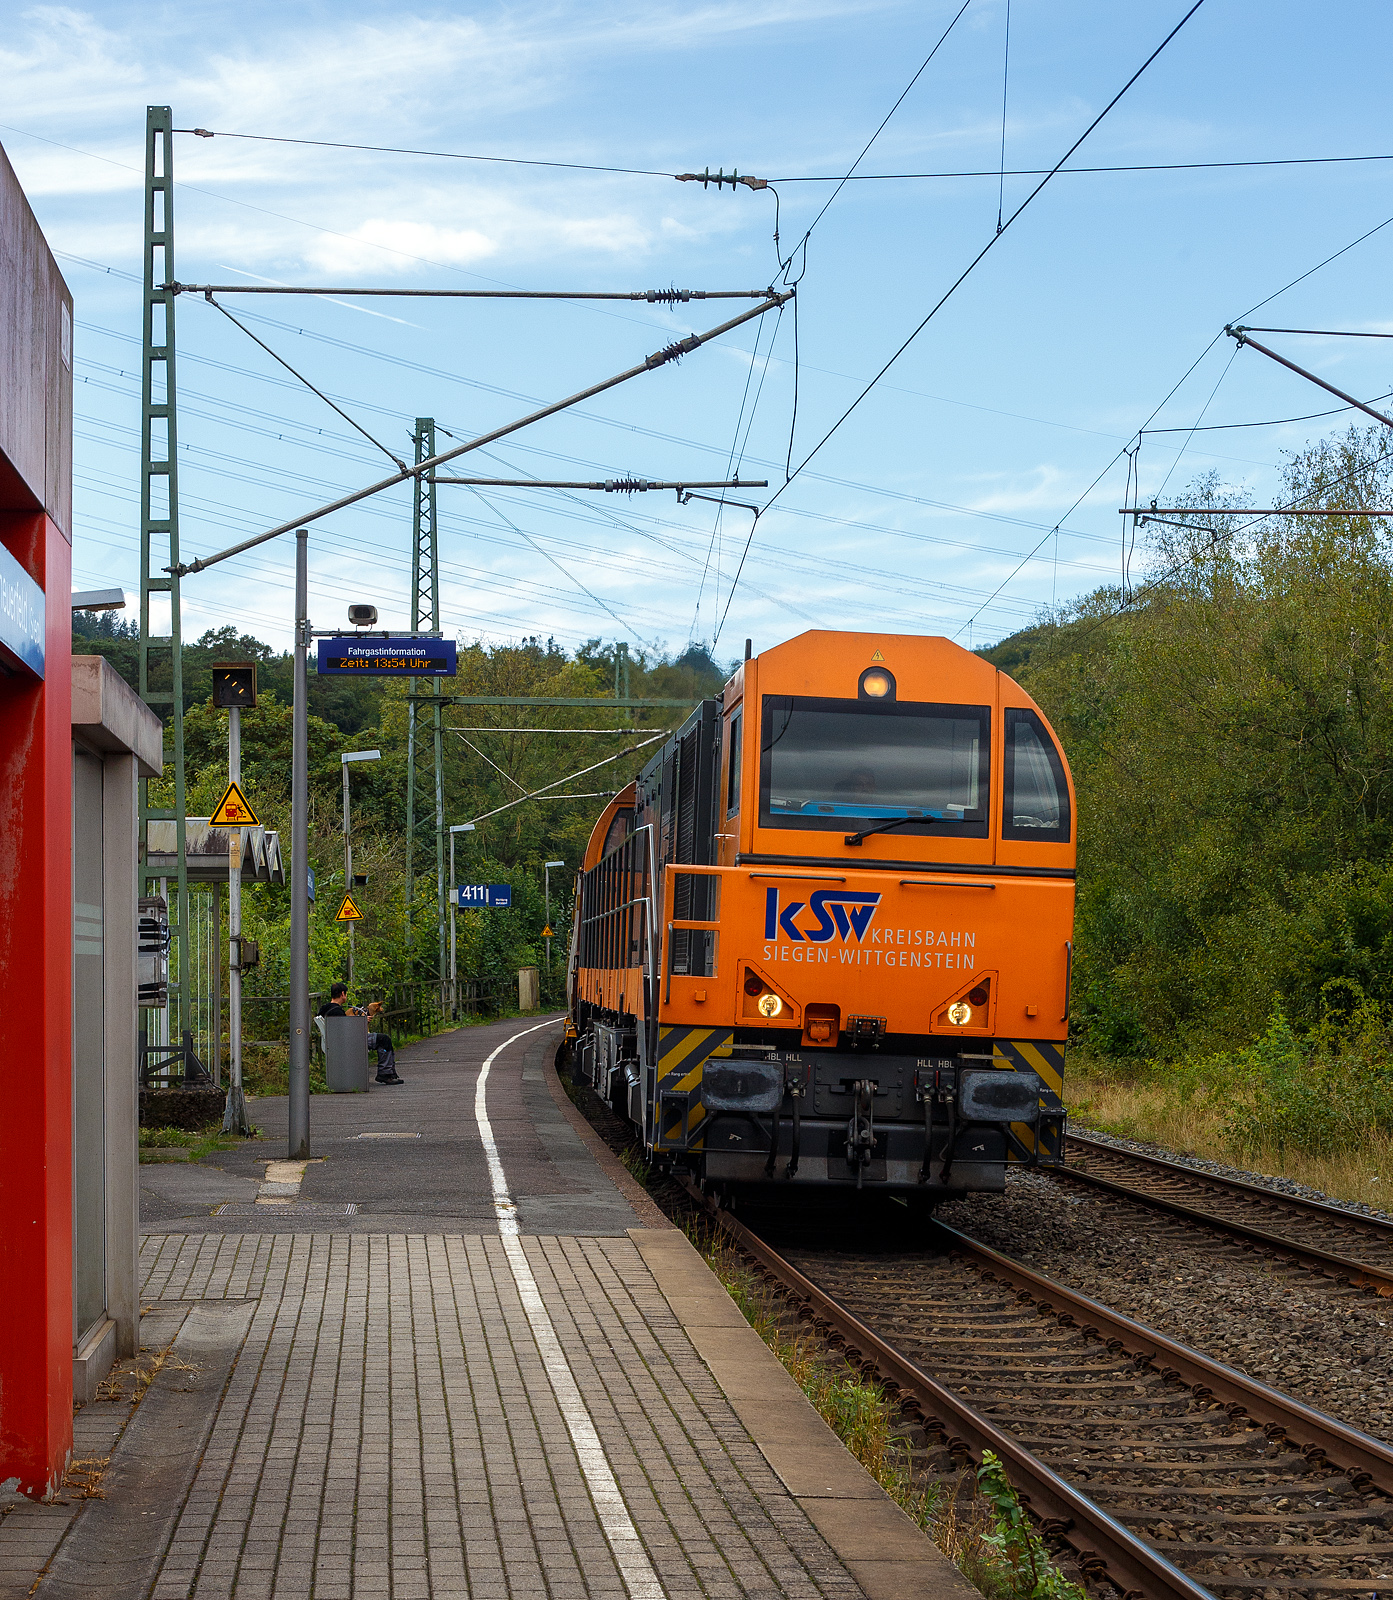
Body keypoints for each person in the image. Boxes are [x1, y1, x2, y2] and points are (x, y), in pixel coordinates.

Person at [365, 1000, 403, 1086]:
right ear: (342, 994)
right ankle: (385, 1074)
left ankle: (390, 1073)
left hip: (355, 1036)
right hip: (355, 1038)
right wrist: (360, 1021)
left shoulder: (336, 1009)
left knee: (385, 1039)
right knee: (384, 1040)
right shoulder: (336, 1010)